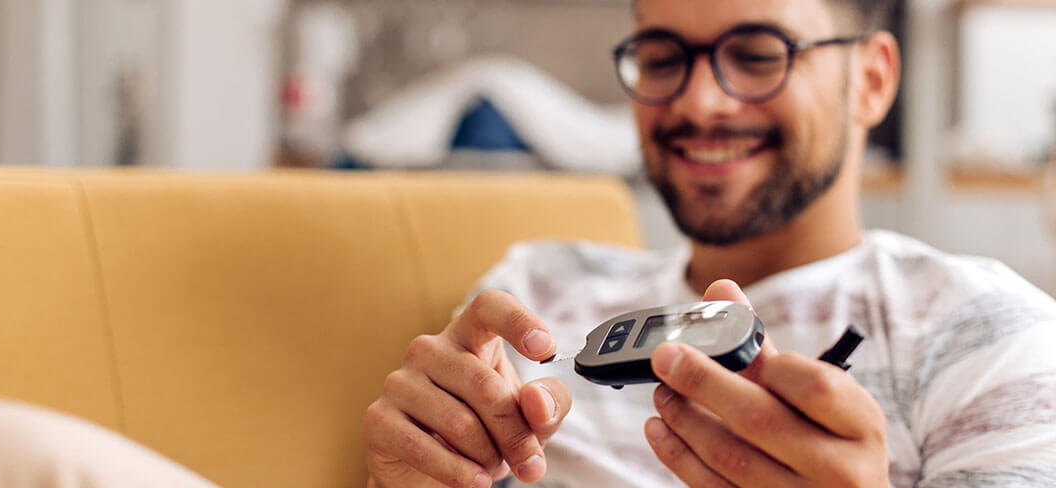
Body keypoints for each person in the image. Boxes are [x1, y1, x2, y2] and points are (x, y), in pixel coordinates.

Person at [362, 0, 1056, 487]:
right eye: (662, 58)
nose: (699, 103)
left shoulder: (991, 336)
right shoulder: (532, 296)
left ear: (870, 82)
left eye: (757, 56)